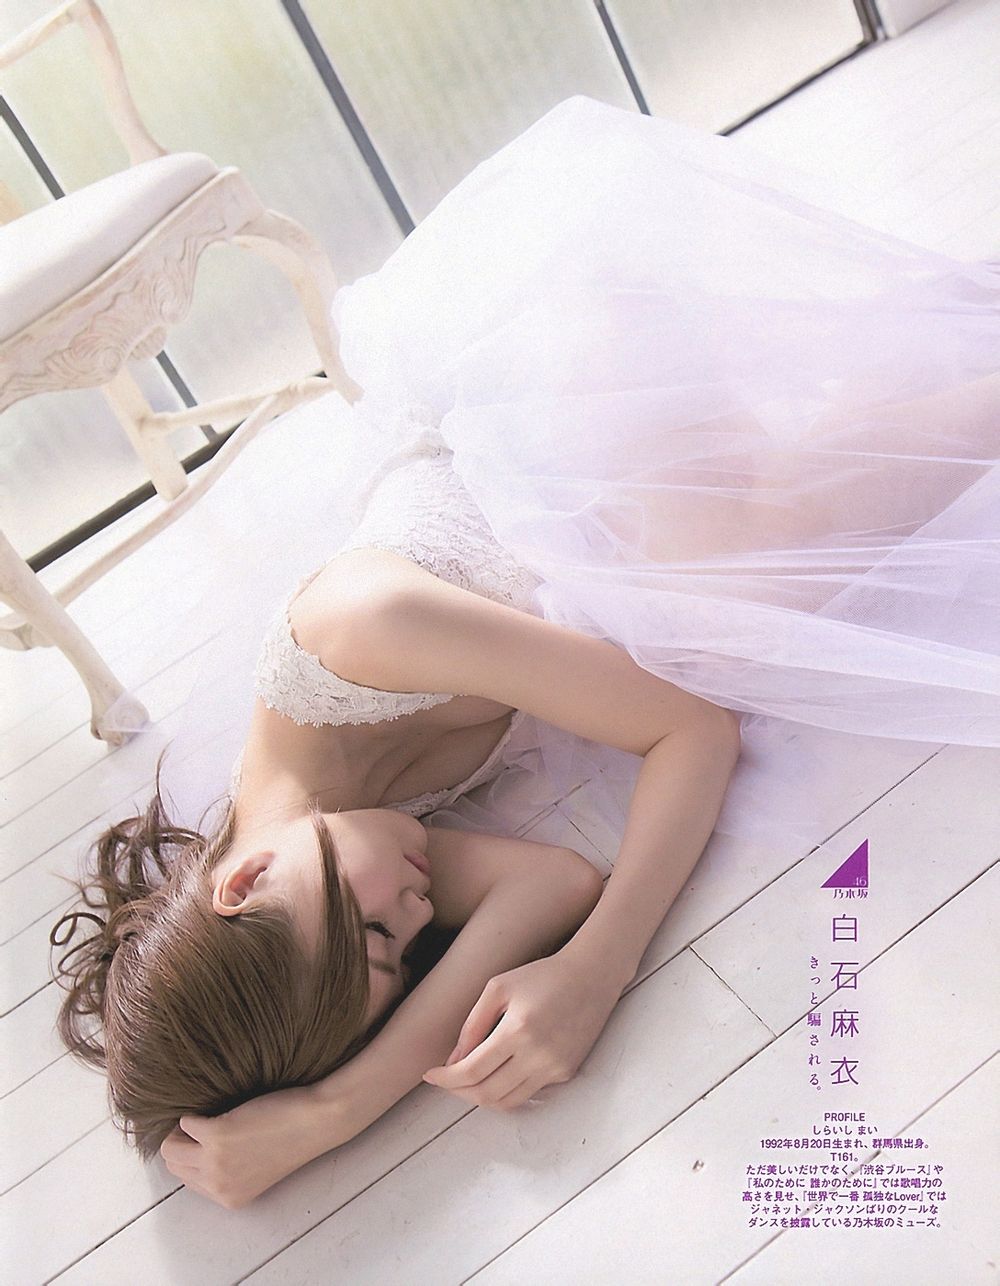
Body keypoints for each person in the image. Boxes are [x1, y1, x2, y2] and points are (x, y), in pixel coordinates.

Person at [50, 95, 999, 1209]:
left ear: (247, 878)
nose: (416, 914)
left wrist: (597, 967)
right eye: (401, 952)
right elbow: (551, 881)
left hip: (558, 360)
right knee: (716, 585)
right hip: (602, 498)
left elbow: (689, 731)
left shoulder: (354, 630)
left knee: (720, 594)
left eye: (377, 928)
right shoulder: (334, 842)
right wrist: (339, 1105)